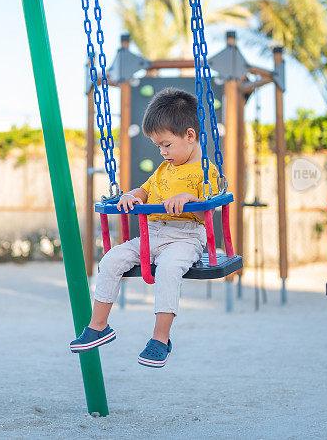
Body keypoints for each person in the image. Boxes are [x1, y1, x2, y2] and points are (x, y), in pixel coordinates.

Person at [70, 88, 219, 368]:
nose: (163, 153)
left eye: (166, 145)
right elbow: (145, 191)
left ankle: (160, 339)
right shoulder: (164, 170)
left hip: (186, 239)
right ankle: (99, 325)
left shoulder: (206, 171)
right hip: (154, 235)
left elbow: (207, 208)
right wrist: (132, 196)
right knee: (111, 259)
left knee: (169, 269)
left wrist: (189, 198)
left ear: (190, 135)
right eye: (158, 147)